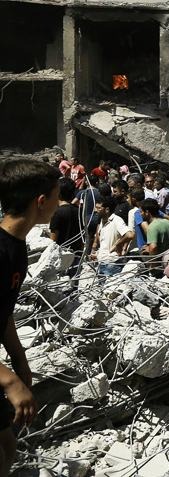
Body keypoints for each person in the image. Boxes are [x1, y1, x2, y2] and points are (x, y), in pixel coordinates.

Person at [0, 159, 56, 474]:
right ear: (40, 202)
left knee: (7, 445)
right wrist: (9, 381)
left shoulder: (16, 247)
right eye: (57, 195)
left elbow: (3, 311)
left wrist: (18, 358)